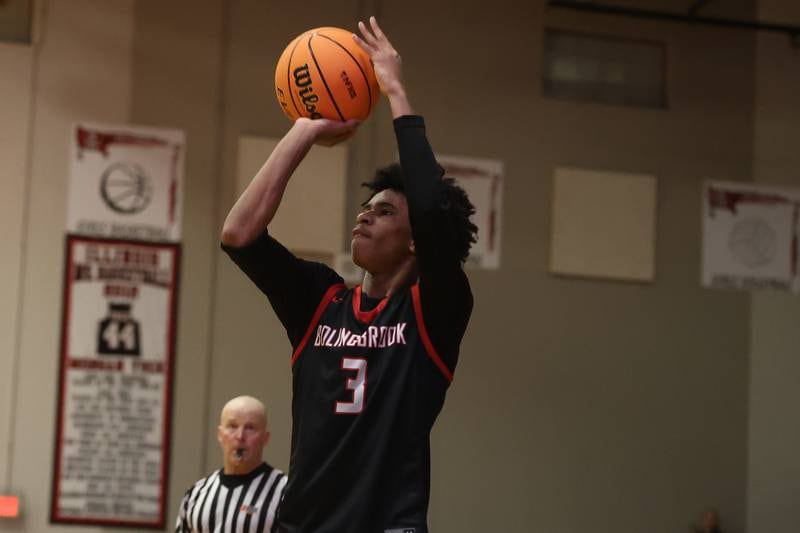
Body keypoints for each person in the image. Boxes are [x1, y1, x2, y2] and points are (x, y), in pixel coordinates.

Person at [221, 17, 477, 533]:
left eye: (384, 211)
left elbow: (429, 211)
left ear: (415, 241)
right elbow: (239, 234)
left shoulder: (433, 311)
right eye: (366, 206)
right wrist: (305, 129)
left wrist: (396, 91)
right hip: (305, 523)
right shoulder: (320, 300)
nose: (363, 215)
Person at [174, 396, 286, 533]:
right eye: (232, 426)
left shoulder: (284, 491)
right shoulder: (196, 493)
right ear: (220, 435)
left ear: (265, 438)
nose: (240, 436)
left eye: (250, 428)